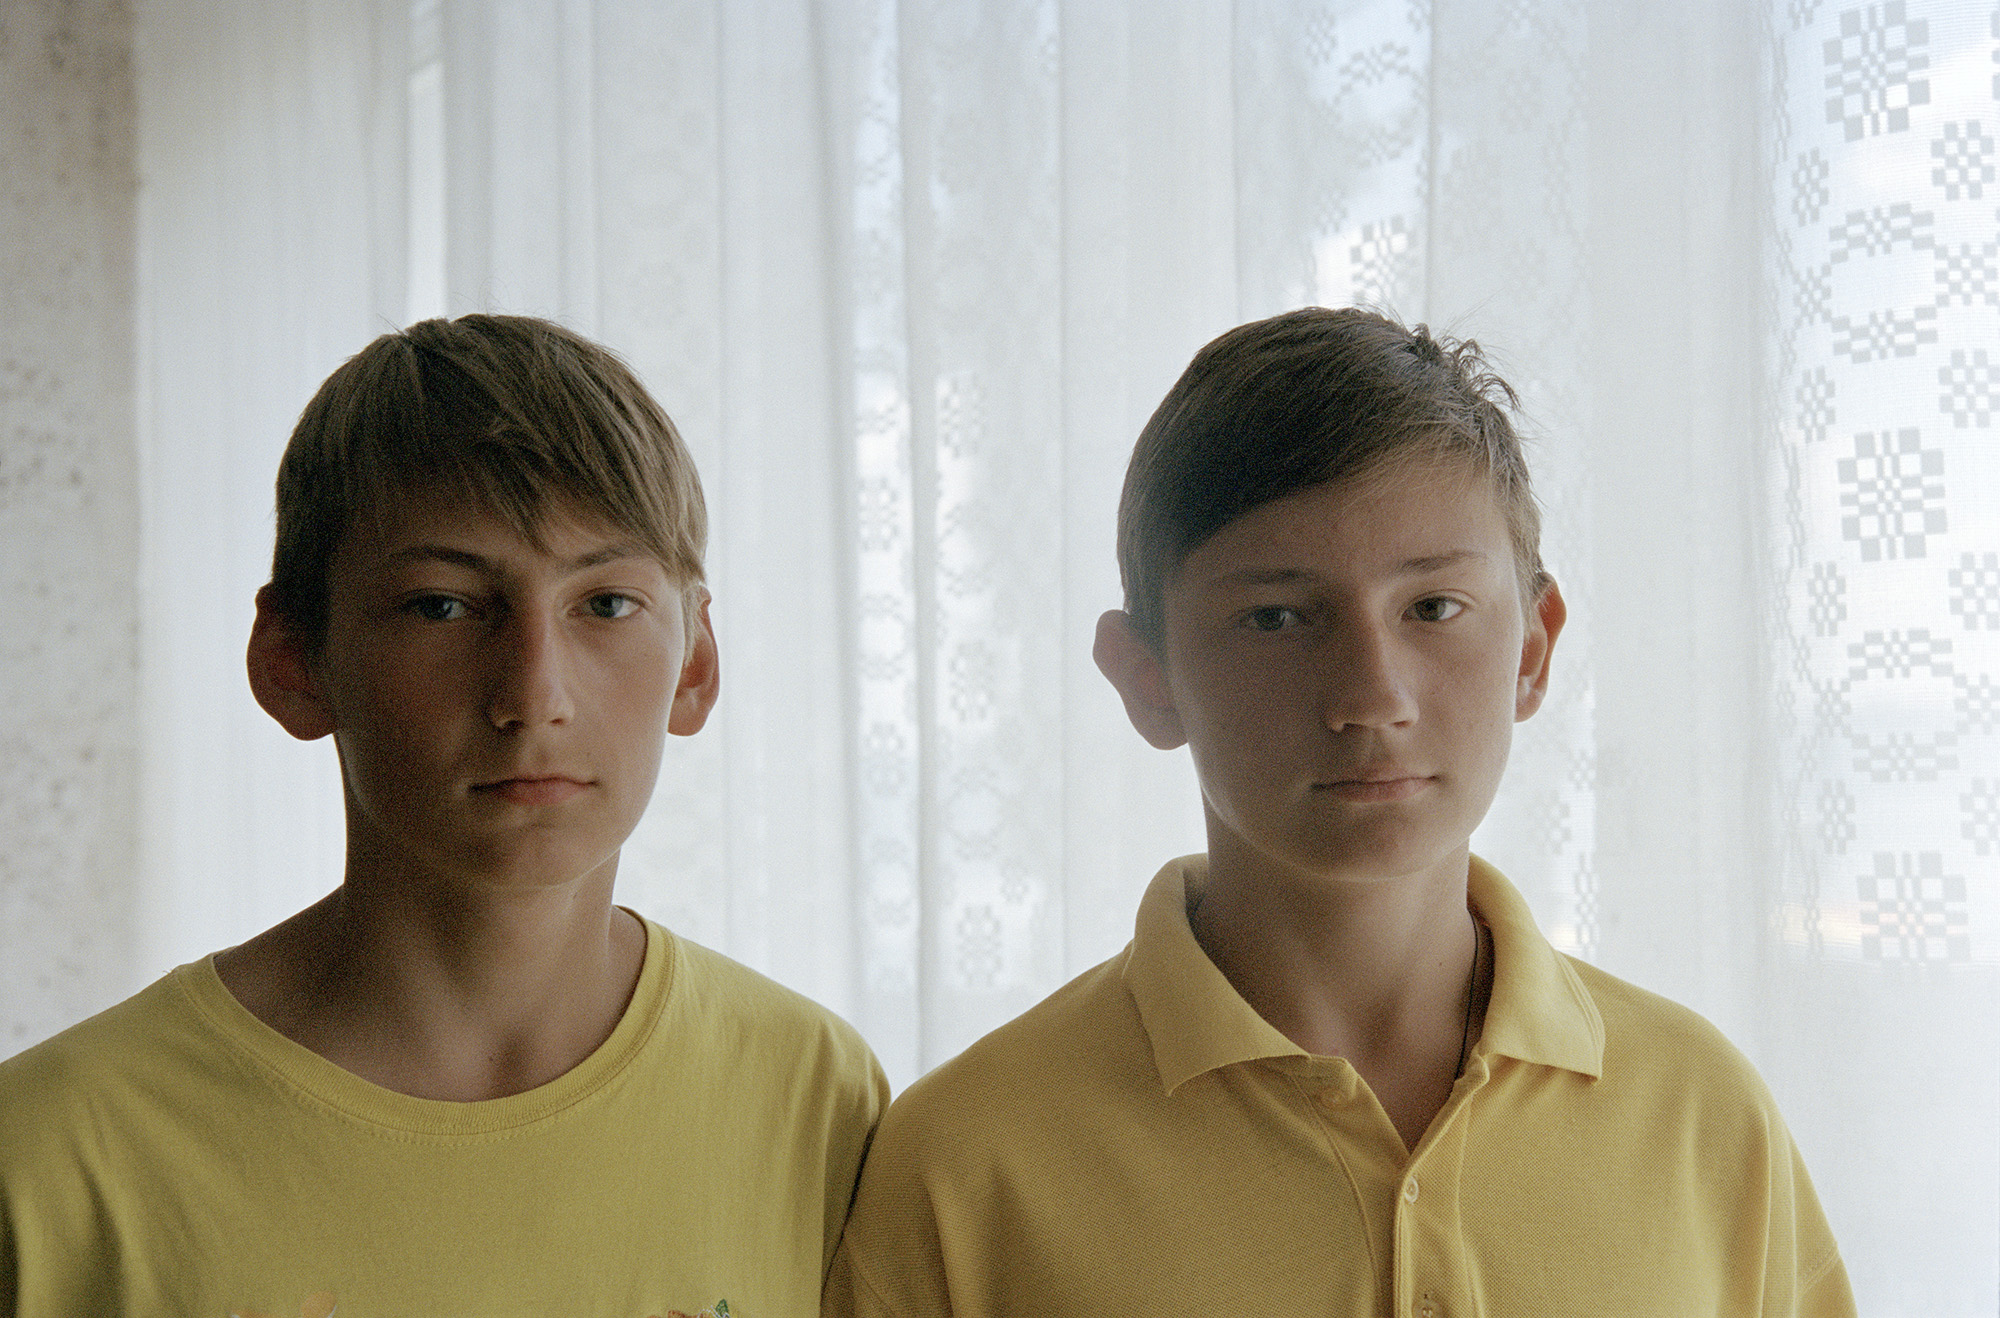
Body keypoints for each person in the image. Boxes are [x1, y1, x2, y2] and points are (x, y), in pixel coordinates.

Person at [824, 307, 1854, 1315]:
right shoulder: (967, 1166)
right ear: (1147, 679)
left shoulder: (1700, 1117)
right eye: (1273, 616)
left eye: (1432, 608)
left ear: (1532, 649)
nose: (1369, 695)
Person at [0, 314, 886, 1318]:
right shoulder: (53, 1158)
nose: (533, 693)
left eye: (604, 605)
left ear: (696, 664)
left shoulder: (809, 1097)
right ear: (291, 661)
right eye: (441, 605)